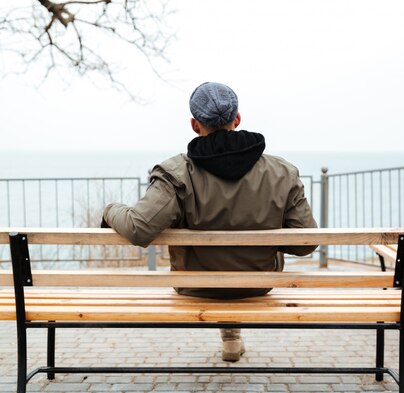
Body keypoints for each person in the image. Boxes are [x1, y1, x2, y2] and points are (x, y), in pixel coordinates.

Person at [101, 82, 317, 362]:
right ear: (237, 119)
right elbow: (306, 244)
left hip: (195, 285)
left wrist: (109, 210)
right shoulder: (282, 172)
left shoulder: (175, 173)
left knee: (216, 268)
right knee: (233, 270)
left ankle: (230, 337)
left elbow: (138, 228)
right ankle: (231, 337)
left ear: (194, 124)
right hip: (256, 284)